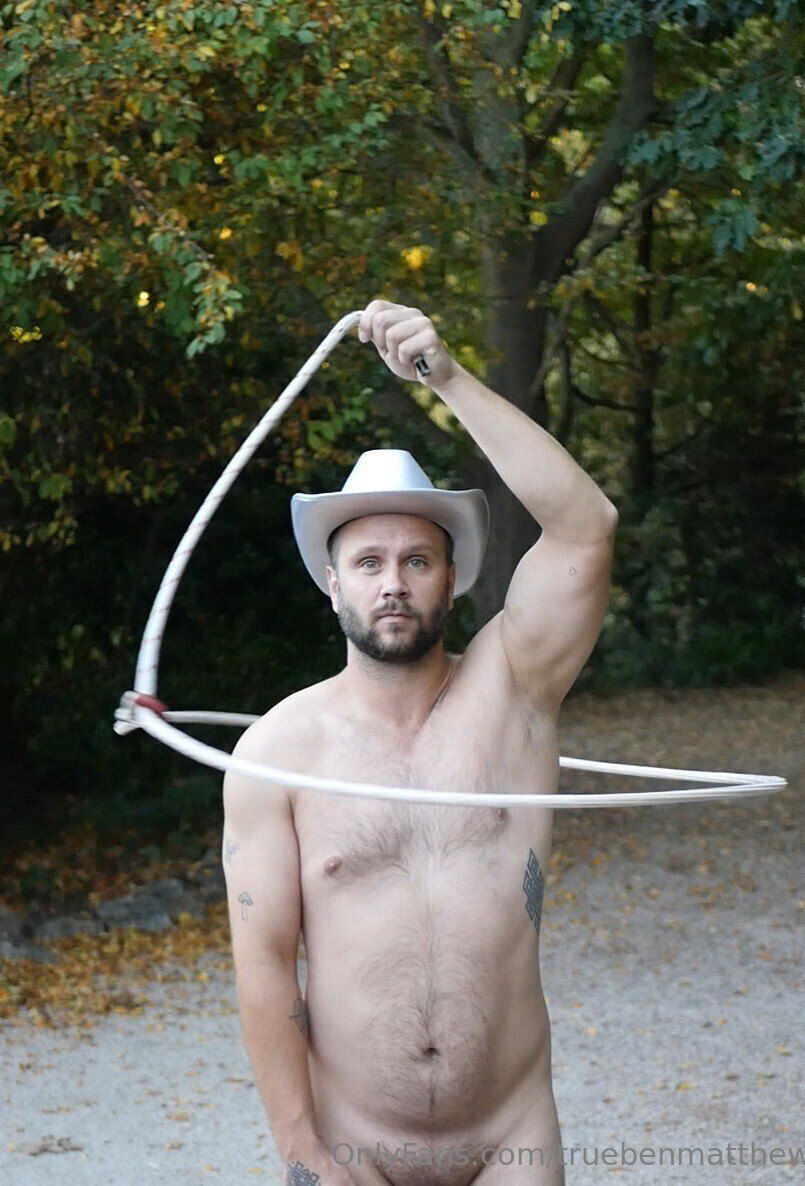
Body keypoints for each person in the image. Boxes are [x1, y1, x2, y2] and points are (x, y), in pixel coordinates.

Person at [222, 299, 618, 1185]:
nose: (392, 584)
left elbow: (586, 526)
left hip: (510, 1134)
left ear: (451, 577)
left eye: (416, 561)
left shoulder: (515, 690)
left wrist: (447, 376)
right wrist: (302, 1154)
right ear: (332, 584)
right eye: (368, 563)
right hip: (354, 1144)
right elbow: (264, 966)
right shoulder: (278, 749)